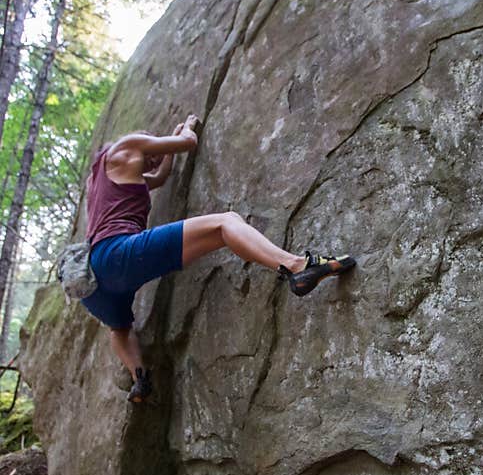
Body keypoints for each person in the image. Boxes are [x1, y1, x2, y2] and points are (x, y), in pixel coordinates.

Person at [81, 114, 355, 403]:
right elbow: (187, 143)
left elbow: (159, 177)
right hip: (116, 254)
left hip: (94, 284)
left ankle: (139, 378)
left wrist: (164, 160)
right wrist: (184, 129)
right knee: (225, 222)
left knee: (119, 327)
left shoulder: (100, 181)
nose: (151, 159)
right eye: (150, 151)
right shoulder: (128, 144)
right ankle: (298, 267)